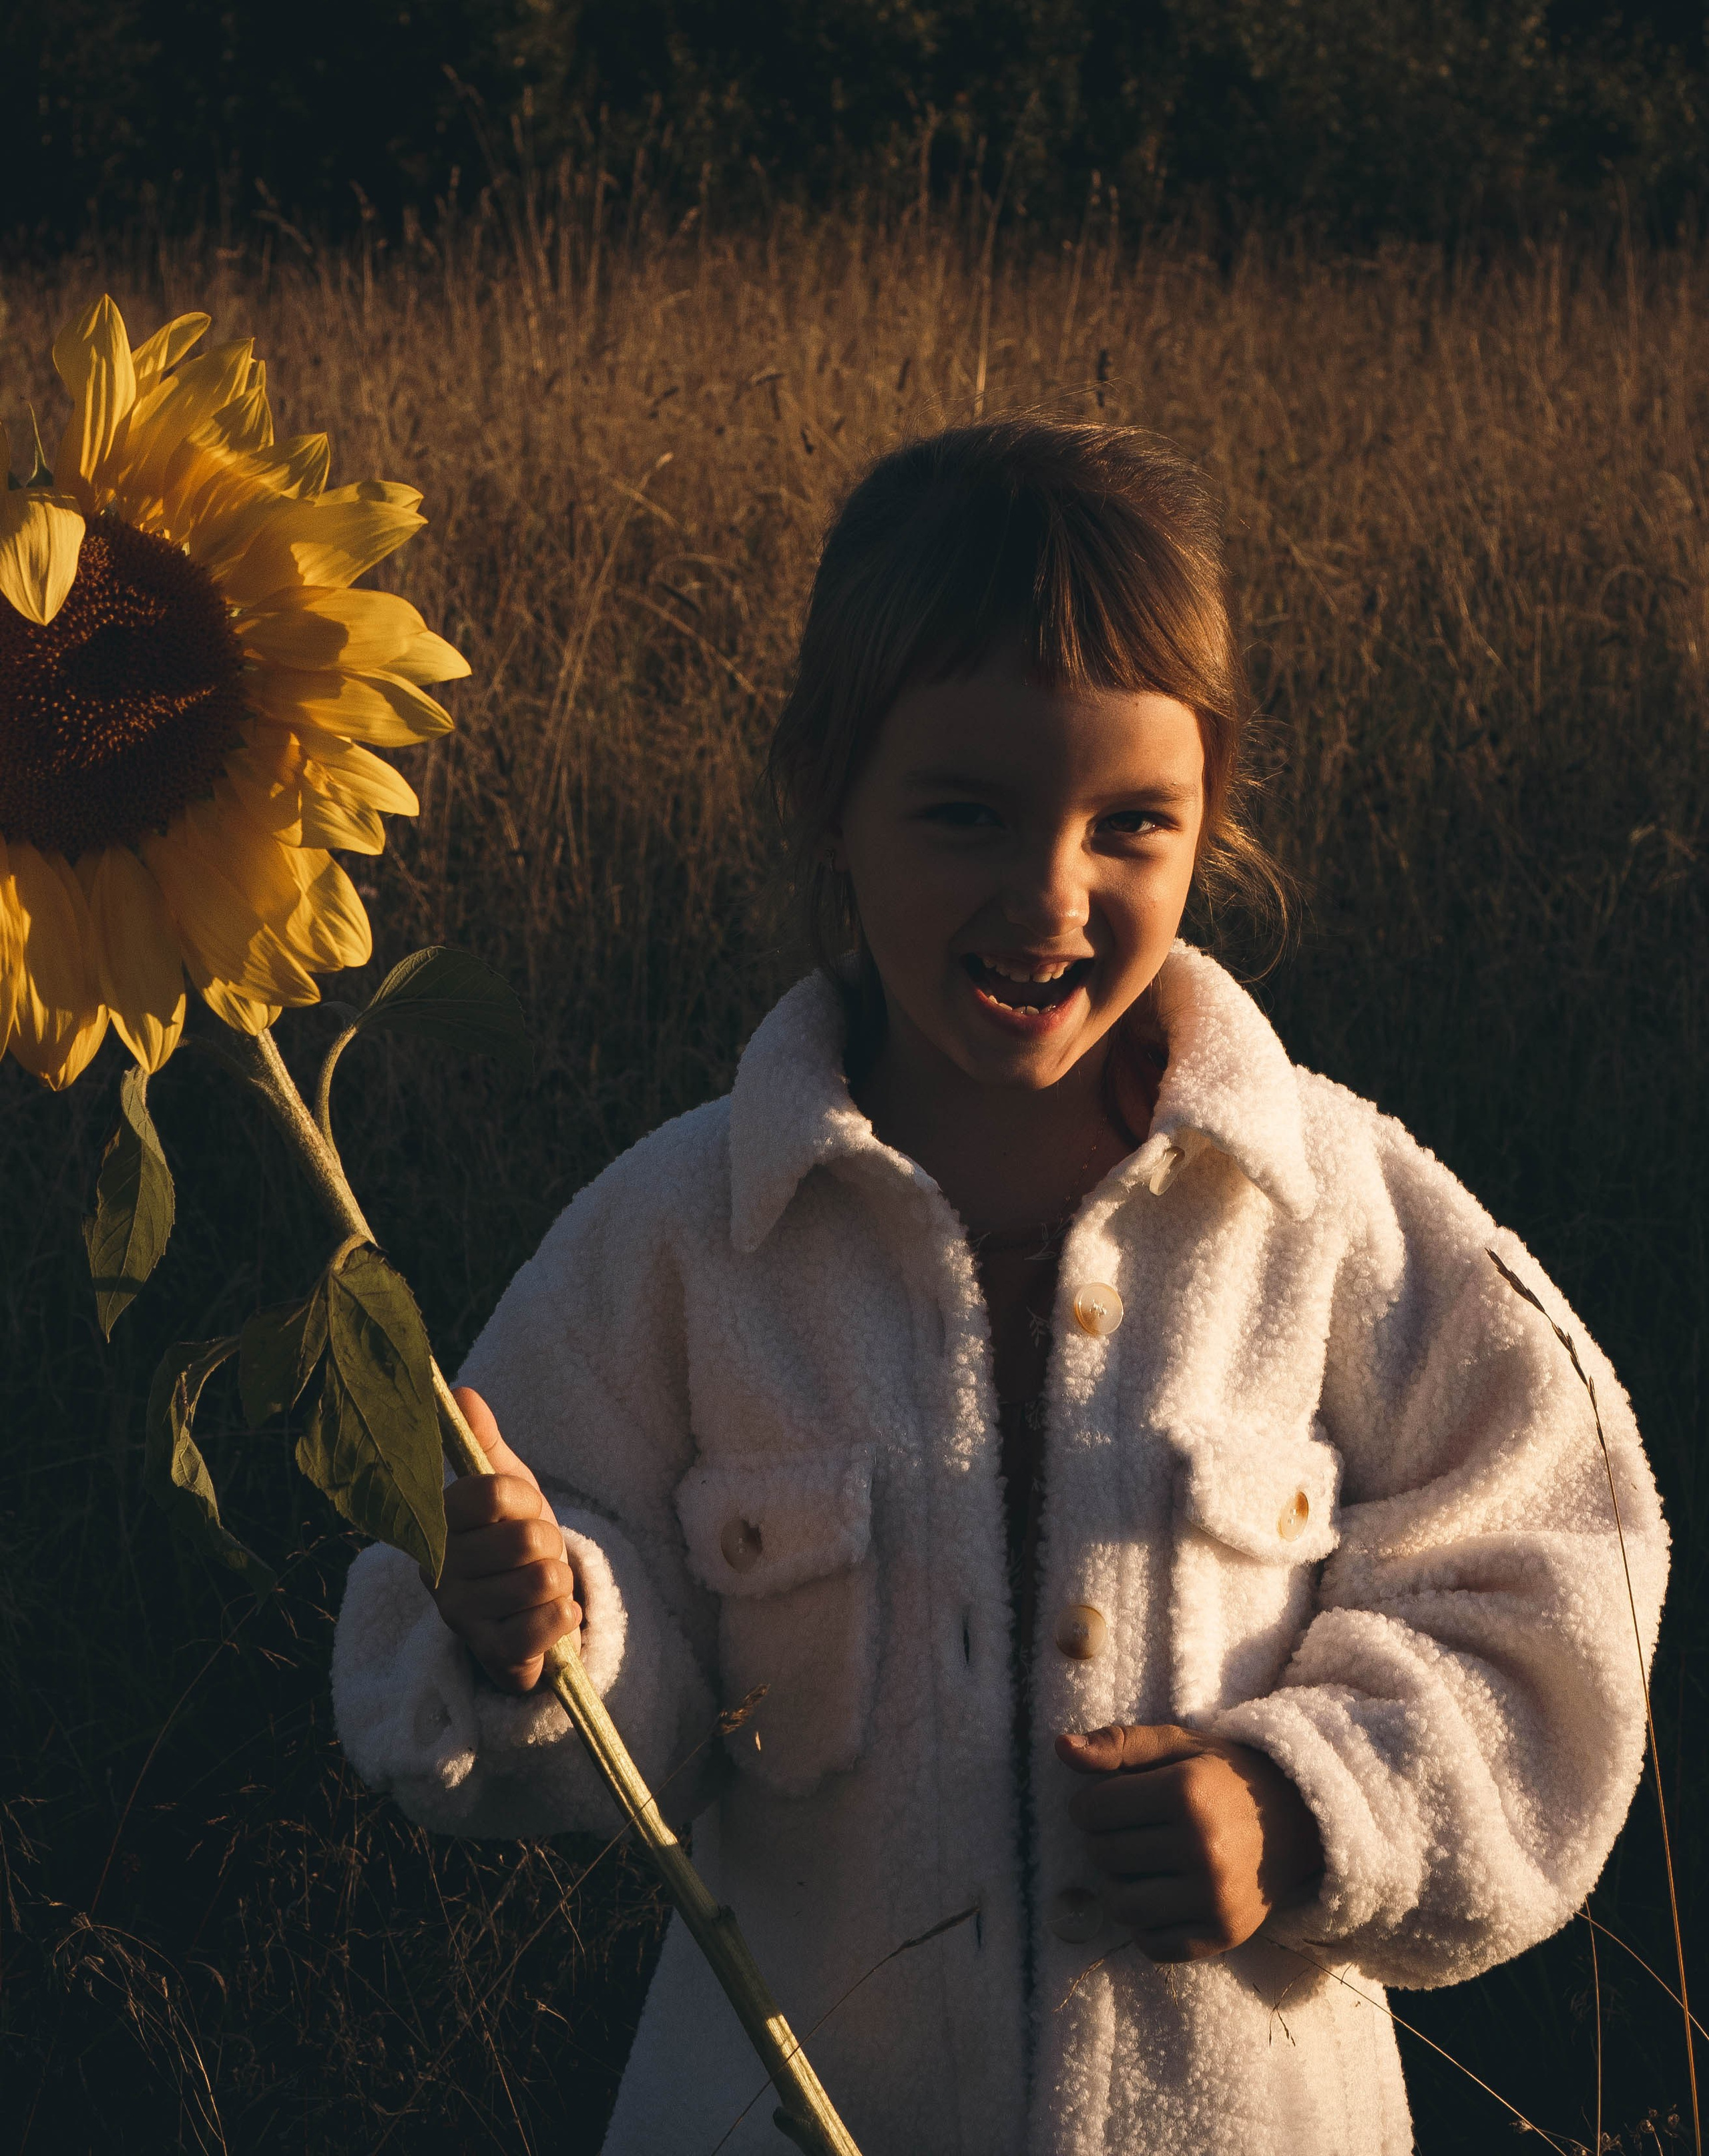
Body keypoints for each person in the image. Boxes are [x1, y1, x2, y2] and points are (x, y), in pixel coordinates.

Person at [332, 421, 1668, 2155]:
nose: (1049, 896)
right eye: (966, 814)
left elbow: (1557, 1580)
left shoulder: (1337, 1211)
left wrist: (1301, 1803)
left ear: (1211, 819)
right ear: (829, 796)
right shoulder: (677, 1239)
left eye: (1132, 824)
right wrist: (542, 1627)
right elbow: (543, 1671)